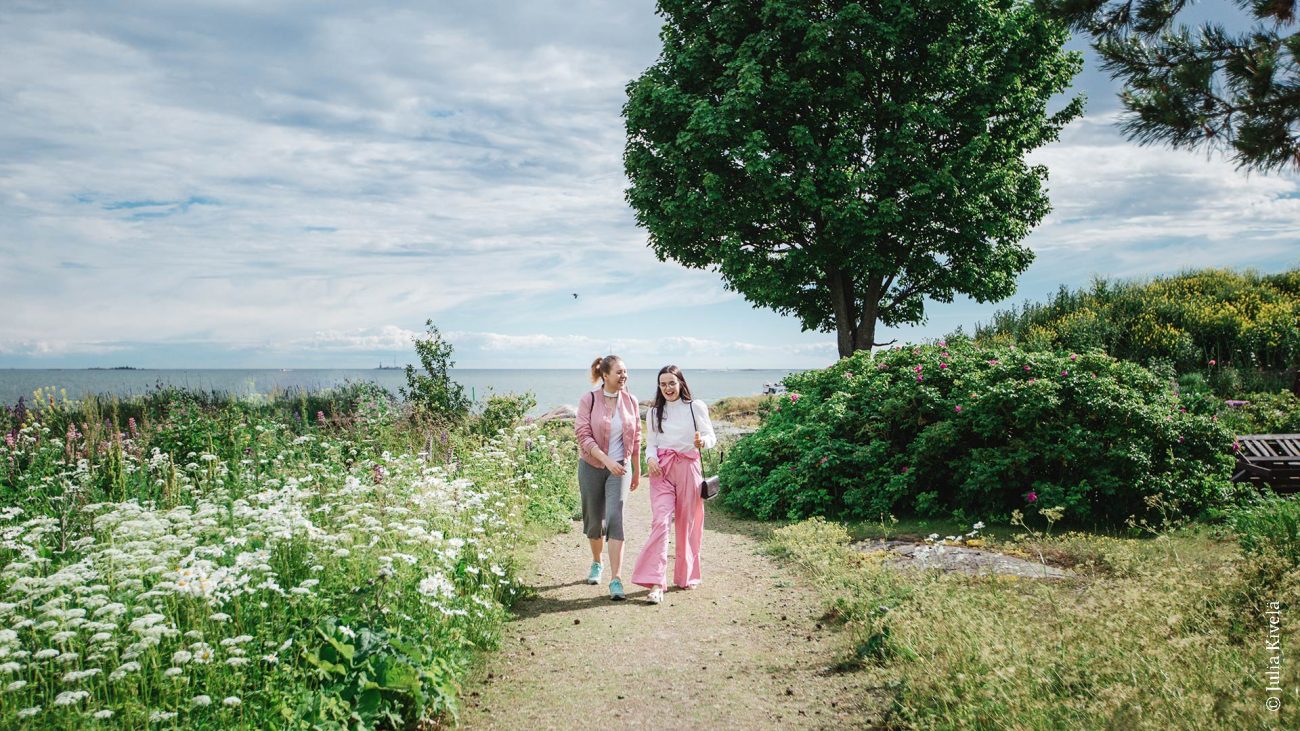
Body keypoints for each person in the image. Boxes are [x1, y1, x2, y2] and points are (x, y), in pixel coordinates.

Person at [630, 365, 716, 604]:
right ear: (659, 387)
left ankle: (686, 576)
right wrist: (650, 459)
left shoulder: (695, 407)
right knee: (660, 522)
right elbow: (651, 443)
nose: (667, 388)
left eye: (671, 383)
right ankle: (656, 583)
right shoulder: (655, 412)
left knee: (687, 523)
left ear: (680, 383)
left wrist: (703, 442)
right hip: (662, 470)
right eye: (663, 384)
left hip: (689, 467)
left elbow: (711, 436)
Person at [574, 355, 641, 600]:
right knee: (595, 520)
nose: (624, 376)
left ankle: (616, 580)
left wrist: (636, 467)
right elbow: (583, 435)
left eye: (626, 372)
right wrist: (606, 460)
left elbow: (636, 436)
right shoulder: (589, 399)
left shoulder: (631, 401)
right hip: (592, 466)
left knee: (615, 518)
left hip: (620, 470)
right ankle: (596, 562)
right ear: (605, 375)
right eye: (619, 372)